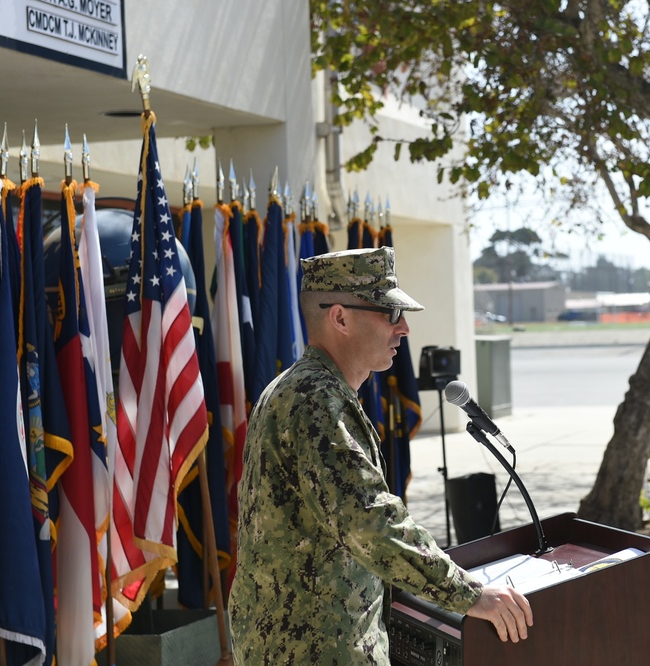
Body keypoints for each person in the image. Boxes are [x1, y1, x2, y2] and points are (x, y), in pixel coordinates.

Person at [228, 246, 533, 664]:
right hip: (313, 648)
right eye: (390, 313)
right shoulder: (318, 401)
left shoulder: (300, 388)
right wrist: (471, 595)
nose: (404, 327)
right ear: (340, 317)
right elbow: (371, 524)